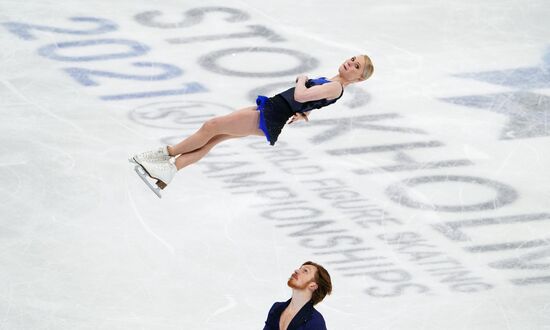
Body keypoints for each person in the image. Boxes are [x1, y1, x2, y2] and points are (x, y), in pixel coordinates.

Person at [130, 55, 374, 196]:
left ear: (359, 79)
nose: (349, 64)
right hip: (271, 110)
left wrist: (301, 80)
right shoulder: (335, 83)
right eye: (352, 59)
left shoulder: (336, 86)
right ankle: (171, 169)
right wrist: (304, 113)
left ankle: (165, 156)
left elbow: (300, 96)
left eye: (356, 67)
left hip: (270, 115)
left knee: (211, 126)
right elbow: (315, 101)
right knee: (215, 136)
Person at [263, 261, 332, 330]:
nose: (296, 271)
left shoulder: (315, 322)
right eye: (299, 269)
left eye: (305, 271)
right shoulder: (276, 309)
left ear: (312, 285)